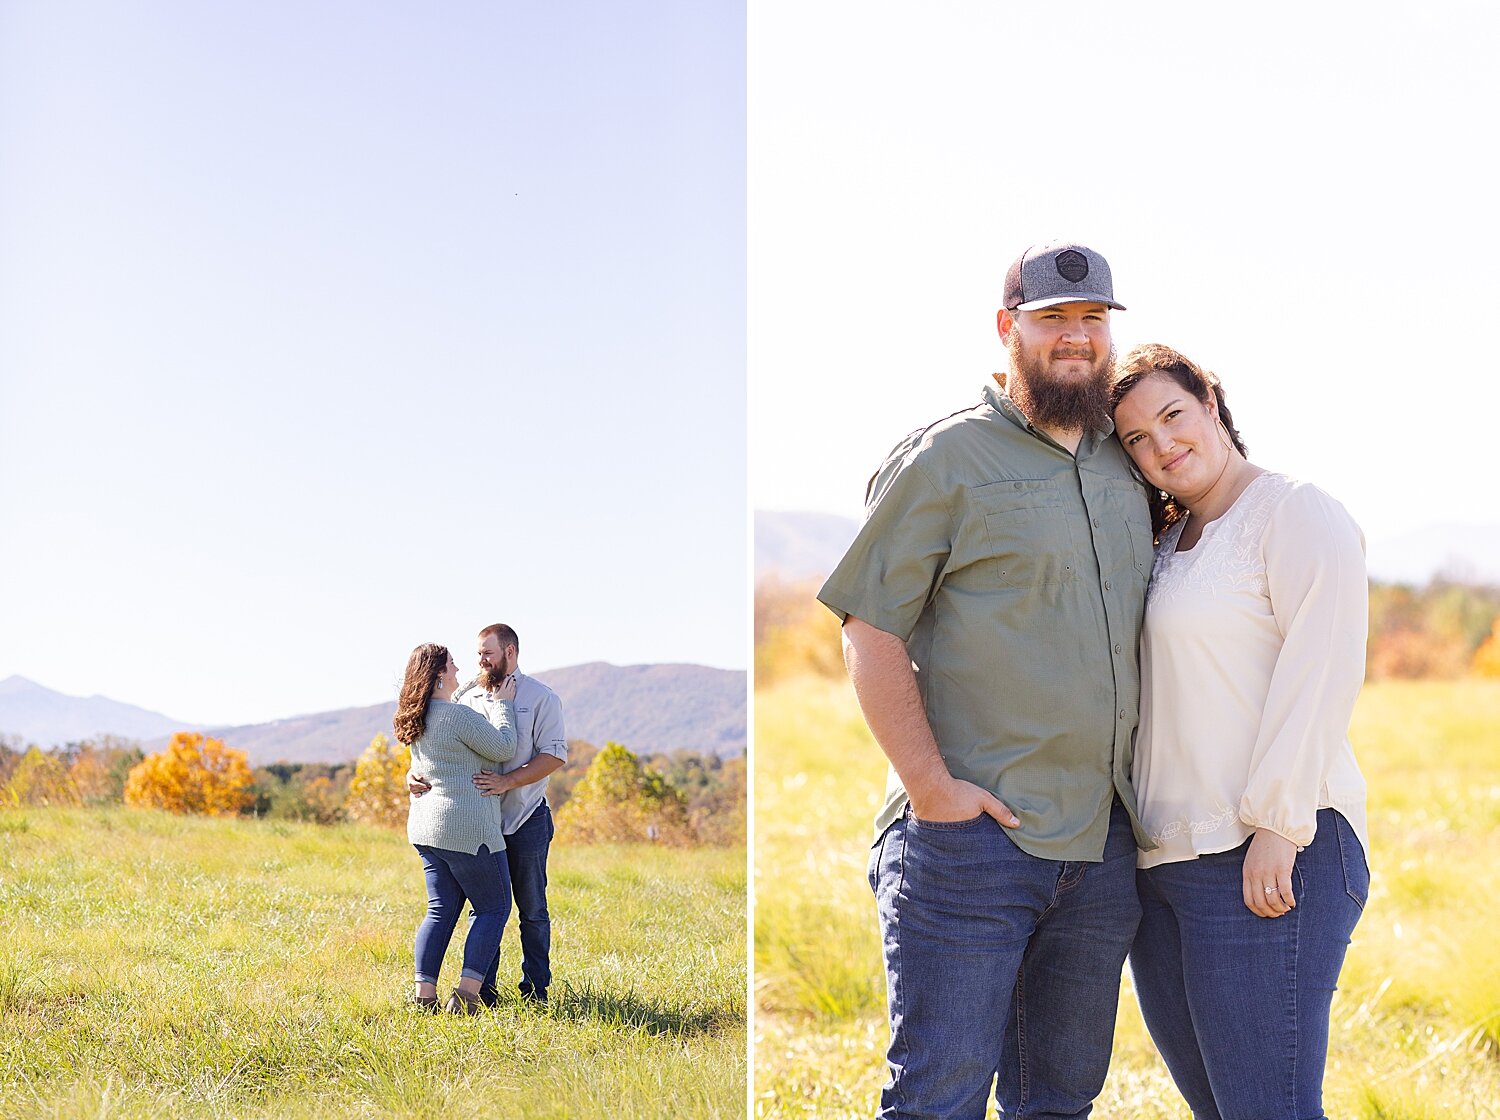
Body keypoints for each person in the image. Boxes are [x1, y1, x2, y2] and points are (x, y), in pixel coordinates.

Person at [818, 241, 1156, 1119]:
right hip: (972, 848)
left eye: (1092, 321)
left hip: (1102, 843)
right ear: (1009, 329)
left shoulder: (1128, 461)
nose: (1076, 338)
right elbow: (870, 626)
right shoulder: (945, 458)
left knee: (1059, 1101)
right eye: (1053, 320)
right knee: (940, 1099)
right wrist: (932, 789)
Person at [1109, 343, 1370, 1120]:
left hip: (1268, 851)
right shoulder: (1166, 542)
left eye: (1173, 416)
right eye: (1136, 439)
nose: (1162, 446)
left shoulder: (1294, 511)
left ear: (1211, 406)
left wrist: (1278, 828)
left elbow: (1321, 671)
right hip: (1165, 864)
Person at [410, 623, 567, 1005]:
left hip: (525, 816)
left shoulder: (541, 697)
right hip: (477, 824)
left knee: (532, 909)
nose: (479, 660)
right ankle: (485, 990)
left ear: (510, 653)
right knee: (485, 907)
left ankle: (535, 990)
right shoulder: (464, 697)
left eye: (487, 653)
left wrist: (508, 782)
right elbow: (436, 746)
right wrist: (411, 776)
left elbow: (554, 755)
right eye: (477, 653)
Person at [394, 642, 519, 1014]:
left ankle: (424, 995)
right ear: (437, 677)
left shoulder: (415, 716)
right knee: (494, 907)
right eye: (451, 665)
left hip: (425, 828)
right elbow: (504, 748)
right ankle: (466, 995)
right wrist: (502, 704)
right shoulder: (458, 717)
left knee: (440, 909)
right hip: (465, 827)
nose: (458, 669)